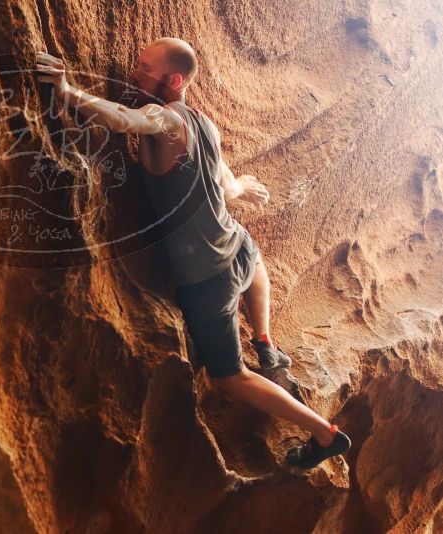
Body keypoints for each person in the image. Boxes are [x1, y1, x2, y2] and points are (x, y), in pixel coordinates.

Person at [35, 39, 351, 469]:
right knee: (251, 252)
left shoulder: (164, 119)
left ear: (174, 80)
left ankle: (323, 434)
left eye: (143, 67)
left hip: (208, 280)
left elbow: (122, 119)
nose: (133, 72)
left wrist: (67, 90)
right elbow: (225, 183)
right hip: (237, 250)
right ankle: (266, 341)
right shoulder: (205, 123)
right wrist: (242, 187)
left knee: (228, 379)